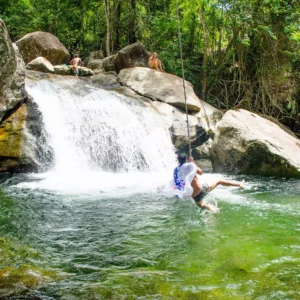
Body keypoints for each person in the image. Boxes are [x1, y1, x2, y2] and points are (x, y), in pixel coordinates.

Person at [165, 153, 245, 212]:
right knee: (219, 181)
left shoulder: (176, 170)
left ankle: (212, 209)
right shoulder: (189, 165)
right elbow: (200, 172)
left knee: (201, 205)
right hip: (201, 190)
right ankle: (240, 184)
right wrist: (193, 162)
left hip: (194, 196)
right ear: (186, 159)